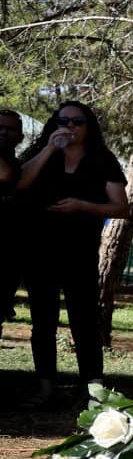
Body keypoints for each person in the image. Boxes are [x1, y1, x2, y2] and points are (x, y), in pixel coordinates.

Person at [13, 102, 128, 404]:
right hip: (40, 249)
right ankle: (45, 386)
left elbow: (121, 207)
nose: (70, 127)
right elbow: (20, 182)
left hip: (81, 250)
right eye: (63, 121)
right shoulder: (42, 155)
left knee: (84, 319)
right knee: (43, 320)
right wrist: (50, 149)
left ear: (89, 127)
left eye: (77, 122)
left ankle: (92, 387)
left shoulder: (102, 159)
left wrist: (84, 206)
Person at [0, 108, 23, 330]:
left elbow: (7, 175)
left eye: (10, 129)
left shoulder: (21, 167)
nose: (3, 133)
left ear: (20, 137)